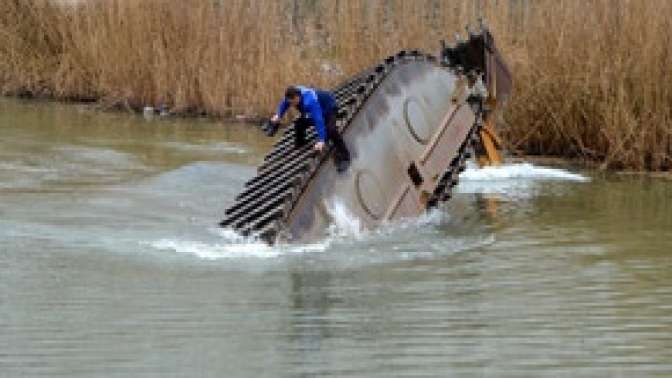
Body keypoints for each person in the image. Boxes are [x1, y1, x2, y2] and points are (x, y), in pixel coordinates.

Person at [271, 86, 351, 172]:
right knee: (299, 124)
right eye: (290, 102)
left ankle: (345, 157)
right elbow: (284, 104)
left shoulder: (310, 101)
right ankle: (301, 143)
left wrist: (321, 140)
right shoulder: (292, 95)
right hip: (316, 111)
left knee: (331, 130)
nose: (292, 105)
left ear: (297, 97)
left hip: (329, 109)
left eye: (293, 102)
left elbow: (318, 120)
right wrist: (278, 115)